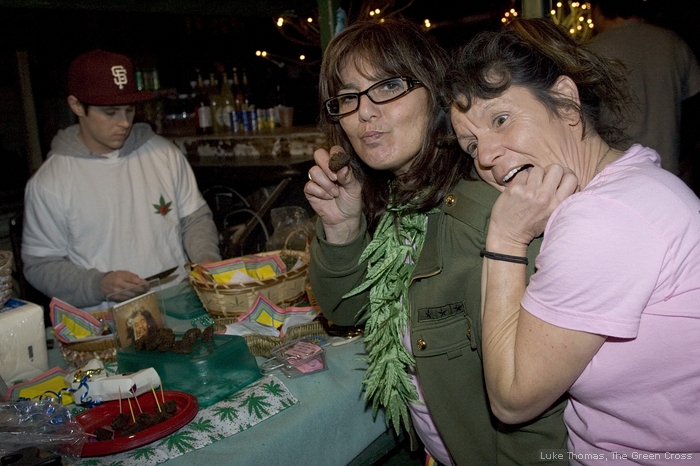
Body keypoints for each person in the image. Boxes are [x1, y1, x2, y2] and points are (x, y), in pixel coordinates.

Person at [305, 18, 567, 466]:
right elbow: (346, 311)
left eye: (387, 86)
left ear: (435, 93)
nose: (365, 112)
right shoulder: (392, 203)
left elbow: (542, 414)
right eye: (348, 97)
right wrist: (343, 227)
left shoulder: (490, 219)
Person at [448, 18, 700, 463]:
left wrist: (505, 235)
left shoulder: (607, 217)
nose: (485, 157)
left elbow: (511, 398)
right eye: (470, 146)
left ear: (565, 102)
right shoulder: (634, 181)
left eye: (501, 119)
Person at [22, 49, 221, 310]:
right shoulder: (51, 181)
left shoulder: (163, 153)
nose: (124, 123)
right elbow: (40, 265)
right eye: (110, 112)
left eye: (129, 110)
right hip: (106, 326)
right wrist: (99, 284)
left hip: (181, 307)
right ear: (76, 105)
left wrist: (206, 259)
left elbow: (194, 219)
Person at [587, 0, 700, 182]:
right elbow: (693, 111)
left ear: (598, 9)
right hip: (670, 172)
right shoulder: (673, 44)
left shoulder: (591, 53)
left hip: (615, 176)